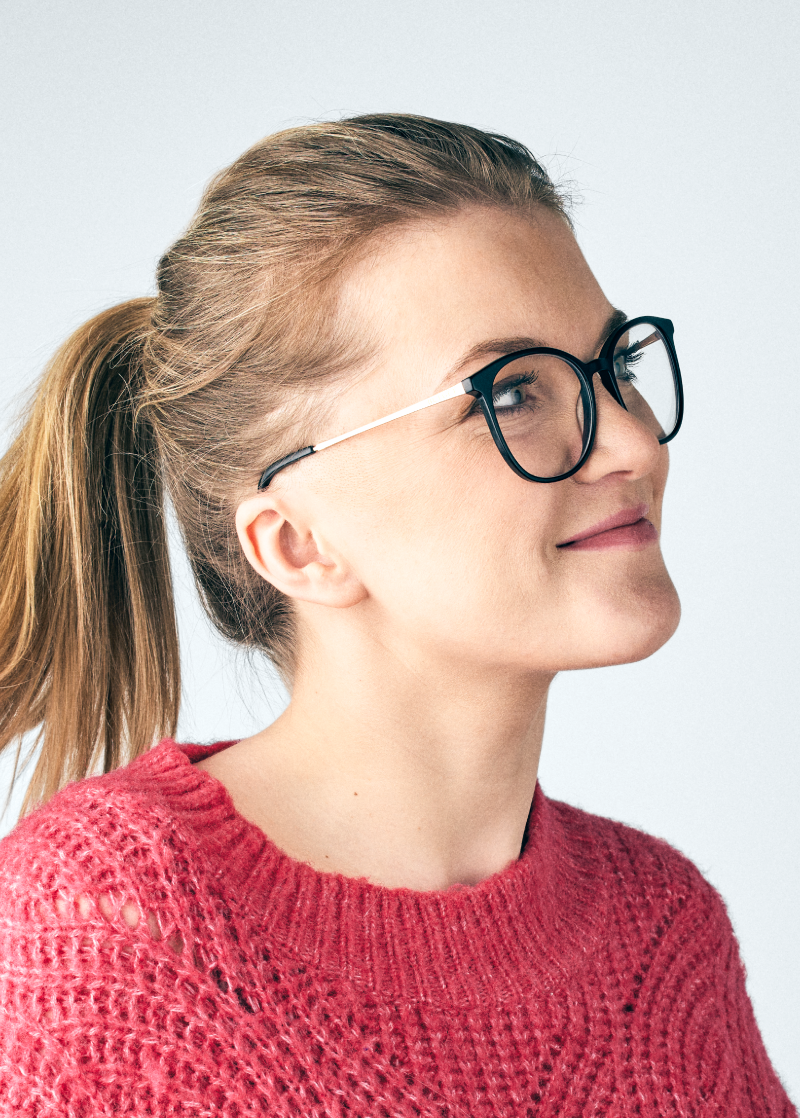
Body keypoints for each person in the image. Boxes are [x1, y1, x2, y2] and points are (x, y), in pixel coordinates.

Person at [0, 114, 794, 1117]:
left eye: (613, 371)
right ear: (298, 543)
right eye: (512, 395)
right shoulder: (103, 936)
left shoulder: (664, 935)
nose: (633, 443)